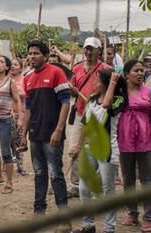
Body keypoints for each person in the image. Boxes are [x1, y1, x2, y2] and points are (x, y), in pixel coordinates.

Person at [21, 41, 71, 229]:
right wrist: (24, 134)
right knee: (39, 174)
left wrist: (58, 130)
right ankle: (39, 212)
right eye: (30, 53)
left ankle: (64, 218)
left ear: (45, 55)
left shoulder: (57, 73)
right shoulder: (27, 78)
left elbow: (66, 103)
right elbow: (28, 109)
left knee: (56, 175)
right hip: (35, 135)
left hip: (52, 136)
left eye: (35, 53)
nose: (32, 56)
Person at [71, 68, 127, 233]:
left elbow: (107, 105)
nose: (95, 83)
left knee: (108, 190)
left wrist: (113, 83)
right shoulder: (92, 99)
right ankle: (88, 225)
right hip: (89, 148)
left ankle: (109, 229)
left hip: (107, 149)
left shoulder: (119, 99)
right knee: (84, 188)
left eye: (97, 81)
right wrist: (79, 146)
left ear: (107, 83)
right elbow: (85, 123)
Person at [68, 37, 107, 198]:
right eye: (87, 48)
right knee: (74, 149)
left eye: (92, 48)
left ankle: (95, 184)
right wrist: (72, 90)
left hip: (99, 115)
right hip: (80, 113)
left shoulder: (105, 70)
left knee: (97, 152)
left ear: (99, 51)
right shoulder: (77, 68)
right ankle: (75, 185)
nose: (89, 52)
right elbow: (72, 87)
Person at [117, 59, 151, 232]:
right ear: (126, 74)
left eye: (142, 70)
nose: (140, 73)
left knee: (147, 179)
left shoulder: (148, 91)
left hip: (146, 139)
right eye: (136, 70)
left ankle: (149, 216)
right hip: (124, 139)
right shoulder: (120, 93)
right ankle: (132, 213)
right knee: (128, 178)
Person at [0, 55, 22, 194]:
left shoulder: (10, 82)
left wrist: (19, 118)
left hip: (5, 120)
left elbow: (17, 100)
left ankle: (9, 183)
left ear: (7, 67)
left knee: (6, 151)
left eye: (2, 62)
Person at [8, 58, 27, 175]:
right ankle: (9, 163)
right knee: (9, 139)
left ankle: (20, 165)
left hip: (20, 113)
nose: (13, 66)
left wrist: (13, 92)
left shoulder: (24, 79)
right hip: (7, 113)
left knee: (19, 139)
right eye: (11, 64)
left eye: (16, 64)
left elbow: (25, 94)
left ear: (21, 68)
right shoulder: (6, 79)